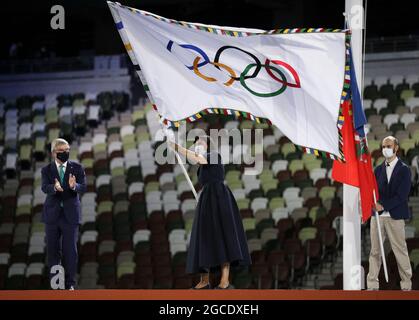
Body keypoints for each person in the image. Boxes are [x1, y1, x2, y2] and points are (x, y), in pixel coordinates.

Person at [168, 136, 251, 289]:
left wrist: (178, 148)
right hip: (206, 199)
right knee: (203, 237)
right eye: (195, 143)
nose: (197, 145)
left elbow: (199, 158)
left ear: (207, 145)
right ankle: (204, 280)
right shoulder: (201, 167)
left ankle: (224, 280)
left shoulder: (213, 155)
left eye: (200, 142)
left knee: (223, 236)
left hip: (219, 197)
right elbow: (197, 160)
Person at [367, 136, 412, 291]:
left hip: (395, 216)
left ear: (396, 148)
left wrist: (383, 205)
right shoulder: (377, 170)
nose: (385, 148)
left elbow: (402, 195)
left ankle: (406, 285)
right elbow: (373, 192)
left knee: (400, 251)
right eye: (383, 146)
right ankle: (372, 285)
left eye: (388, 145)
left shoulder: (404, 170)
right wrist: (373, 205)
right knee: (375, 252)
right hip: (377, 218)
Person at [41, 138, 86, 290]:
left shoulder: (77, 168)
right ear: (54, 153)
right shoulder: (46, 170)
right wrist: (54, 188)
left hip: (70, 215)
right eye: (62, 152)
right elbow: (44, 188)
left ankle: (70, 284)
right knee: (53, 251)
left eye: (67, 151)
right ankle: (57, 284)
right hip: (52, 215)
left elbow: (83, 187)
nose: (65, 154)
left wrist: (75, 186)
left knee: (70, 251)